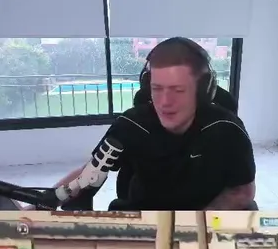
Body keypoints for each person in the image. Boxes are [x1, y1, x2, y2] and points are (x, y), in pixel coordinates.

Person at [54, 37, 257, 211]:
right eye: (157, 89)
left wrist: (196, 223)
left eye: (178, 90)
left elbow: (243, 191)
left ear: (203, 91)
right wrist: (47, 201)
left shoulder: (227, 129)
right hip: (143, 215)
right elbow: (89, 175)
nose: (165, 102)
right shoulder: (131, 124)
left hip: (205, 215)